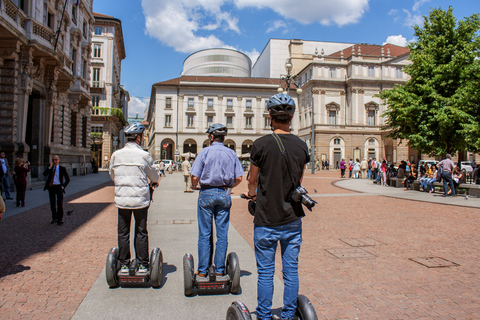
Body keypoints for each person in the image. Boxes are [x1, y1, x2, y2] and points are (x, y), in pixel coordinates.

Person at [244, 93, 309, 320]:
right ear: (291, 117)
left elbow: (252, 181)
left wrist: (252, 196)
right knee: (290, 272)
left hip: (266, 219)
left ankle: (263, 315)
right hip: (292, 219)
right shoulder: (302, 146)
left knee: (266, 273)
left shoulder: (261, 144)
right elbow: (298, 182)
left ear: (270, 116)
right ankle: (289, 315)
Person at [190, 123, 244, 281]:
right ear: (224, 138)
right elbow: (239, 178)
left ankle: (202, 271)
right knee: (222, 235)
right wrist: (228, 187)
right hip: (223, 194)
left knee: (205, 234)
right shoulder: (231, 153)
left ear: (211, 137)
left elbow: (194, 177)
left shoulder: (205, 152)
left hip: (206, 193)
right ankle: (220, 270)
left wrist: (194, 185)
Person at [109, 123, 160, 274]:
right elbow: (153, 175)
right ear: (138, 138)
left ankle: (124, 264)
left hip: (122, 199)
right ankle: (143, 264)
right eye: (142, 135)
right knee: (141, 231)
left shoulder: (116, 155)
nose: (143, 138)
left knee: (123, 232)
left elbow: (113, 175)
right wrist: (156, 180)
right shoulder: (144, 155)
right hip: (140, 201)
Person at [43, 155, 70, 226]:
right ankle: (54, 218)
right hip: (51, 187)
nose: (54, 161)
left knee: (59, 203)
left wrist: (63, 186)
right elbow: (44, 174)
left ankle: (60, 219)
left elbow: (68, 179)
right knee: (52, 203)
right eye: (53, 160)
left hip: (59, 187)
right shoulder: (50, 168)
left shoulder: (62, 169)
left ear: (59, 160)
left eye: (56, 160)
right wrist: (49, 167)